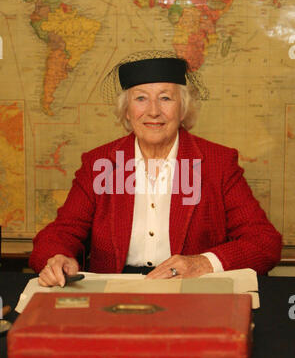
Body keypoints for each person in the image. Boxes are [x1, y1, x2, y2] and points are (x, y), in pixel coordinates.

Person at [29, 50, 282, 287]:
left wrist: (202, 263)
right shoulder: (100, 164)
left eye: (165, 98)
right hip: (112, 291)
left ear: (182, 109)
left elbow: (264, 242)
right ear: (127, 111)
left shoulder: (218, 163)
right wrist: (57, 256)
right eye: (140, 98)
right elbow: (61, 232)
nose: (153, 111)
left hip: (192, 289)